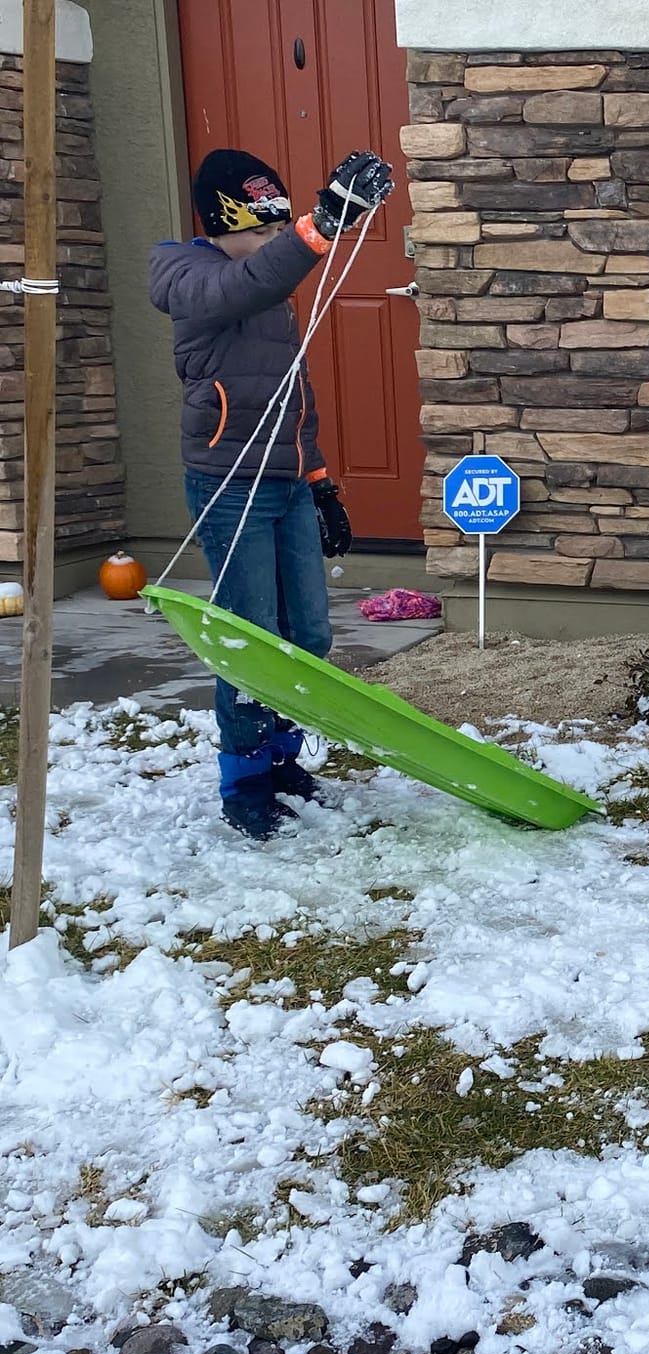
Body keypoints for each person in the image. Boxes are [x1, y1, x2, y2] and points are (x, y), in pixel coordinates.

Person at [149, 147, 395, 838]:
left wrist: (321, 485)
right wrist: (321, 226)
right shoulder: (184, 270)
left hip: (285, 483)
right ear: (222, 223)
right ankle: (246, 775)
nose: (270, 246)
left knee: (309, 633)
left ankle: (284, 756)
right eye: (261, 230)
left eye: (277, 230)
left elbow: (294, 397)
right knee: (251, 635)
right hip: (228, 486)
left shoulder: (268, 289)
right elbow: (243, 285)